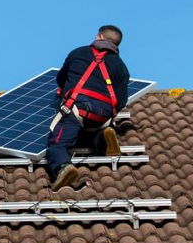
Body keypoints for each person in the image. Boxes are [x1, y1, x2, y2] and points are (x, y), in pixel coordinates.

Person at [46, 25, 130, 190]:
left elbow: (61, 79)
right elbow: (121, 100)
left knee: (58, 144)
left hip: (77, 108)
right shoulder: (121, 67)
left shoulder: (79, 53)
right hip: (103, 115)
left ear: (99, 36)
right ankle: (104, 138)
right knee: (89, 133)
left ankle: (64, 167)